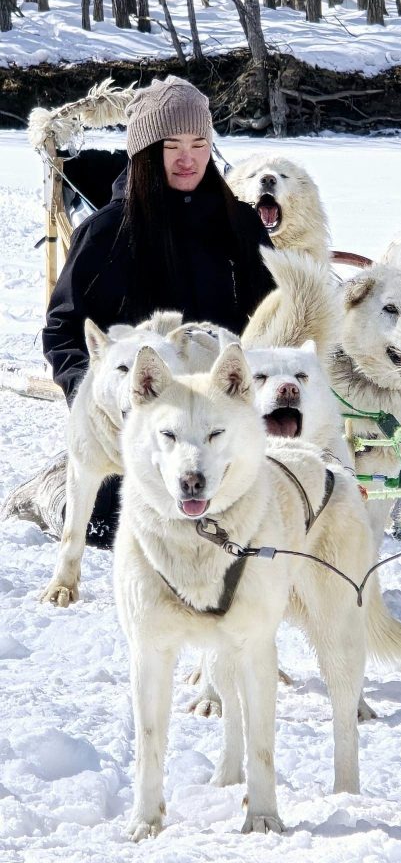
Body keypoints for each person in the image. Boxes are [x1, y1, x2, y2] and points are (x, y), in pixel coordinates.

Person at [36, 75, 276, 544]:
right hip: (144, 426)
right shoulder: (107, 233)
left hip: (220, 421)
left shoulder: (239, 226)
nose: (188, 157)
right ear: (145, 151)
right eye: (171, 145)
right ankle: (55, 490)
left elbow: (273, 320)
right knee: (110, 526)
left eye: (199, 143)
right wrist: (91, 397)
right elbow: (63, 329)